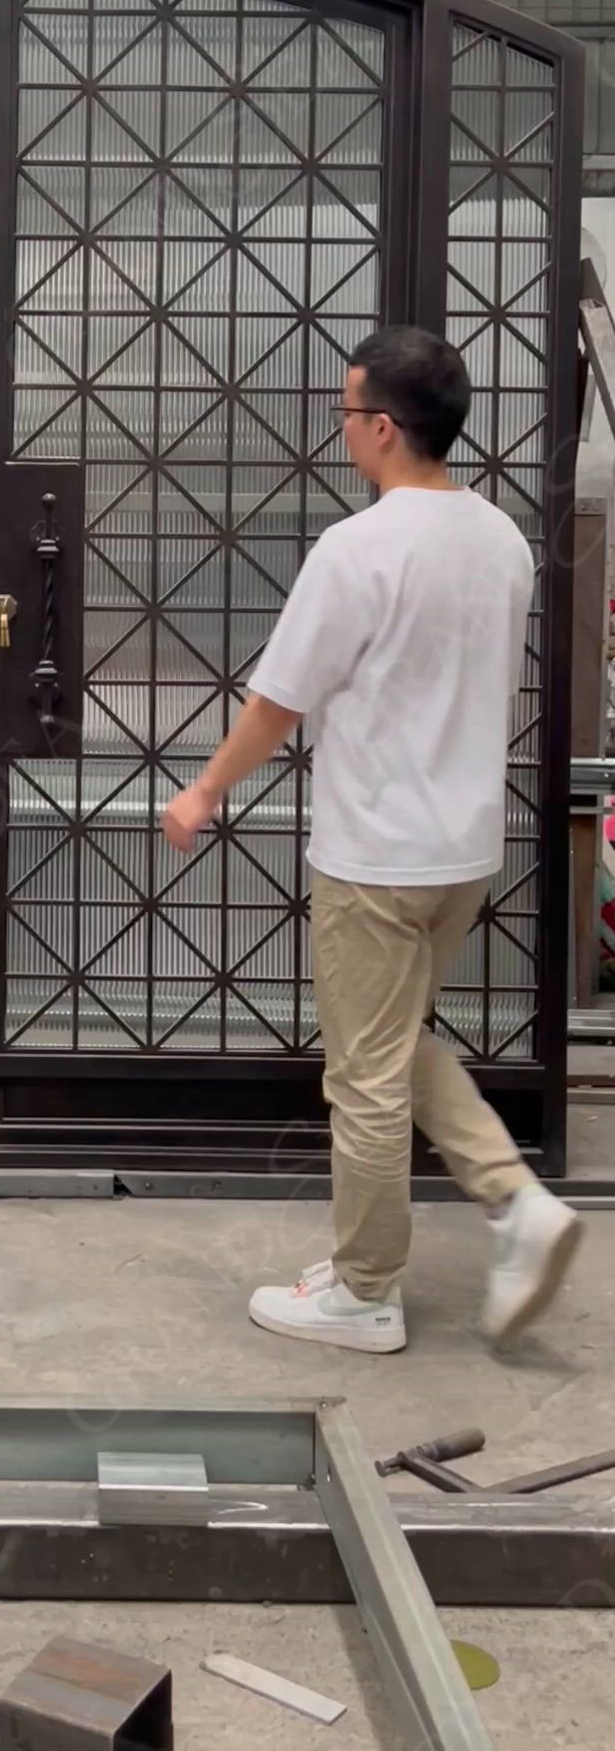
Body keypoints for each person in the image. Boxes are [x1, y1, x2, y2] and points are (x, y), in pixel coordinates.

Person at [162, 327, 581, 1354]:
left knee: (362, 1075)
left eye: (347, 413)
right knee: (389, 1041)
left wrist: (204, 790)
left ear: (382, 427)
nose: (342, 430)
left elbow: (277, 699)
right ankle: (511, 1200)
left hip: (374, 856)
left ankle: (364, 1289)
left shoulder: (357, 548)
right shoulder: (499, 539)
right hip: (460, 849)